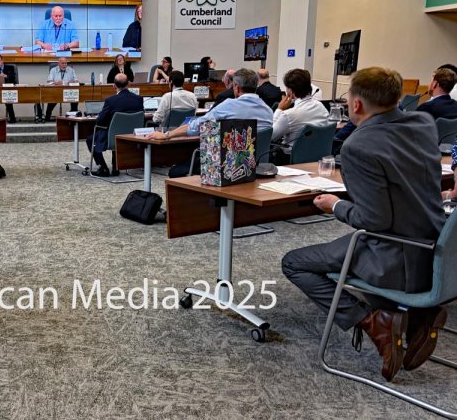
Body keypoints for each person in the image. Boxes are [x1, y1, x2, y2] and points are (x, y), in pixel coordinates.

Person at [282, 67, 447, 383]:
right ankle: (418, 316)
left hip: (394, 252)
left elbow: (373, 221)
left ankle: (375, 321)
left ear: (355, 104)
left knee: (294, 262)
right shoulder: (423, 123)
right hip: (435, 244)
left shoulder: (358, 146)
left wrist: (335, 205)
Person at [146, 68, 273, 178]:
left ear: (236, 87)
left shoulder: (229, 106)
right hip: (257, 167)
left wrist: (166, 135)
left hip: (226, 168)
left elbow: (197, 126)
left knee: (175, 171)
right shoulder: (267, 110)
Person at [86, 74, 143, 177]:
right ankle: (116, 167)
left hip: (113, 137)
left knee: (91, 139)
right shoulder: (138, 99)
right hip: (132, 137)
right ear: (128, 84)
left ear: (114, 86)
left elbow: (100, 121)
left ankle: (103, 168)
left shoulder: (110, 101)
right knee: (116, 130)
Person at [271, 68, 330, 145]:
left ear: (290, 91)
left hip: (289, 152)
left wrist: (279, 109)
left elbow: (269, 136)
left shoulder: (288, 115)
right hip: (318, 151)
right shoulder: (321, 106)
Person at [36, 57, 79, 122]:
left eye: (65, 63)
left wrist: (70, 82)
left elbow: (76, 81)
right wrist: (56, 82)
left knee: (75, 98)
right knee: (52, 100)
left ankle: (73, 117)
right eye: (63, 63)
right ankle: (47, 117)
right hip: (56, 91)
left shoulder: (71, 70)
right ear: (58, 64)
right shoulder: (53, 70)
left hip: (68, 91)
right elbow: (49, 81)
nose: (64, 65)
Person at [0, 54, 18, 123]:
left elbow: (13, 79)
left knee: (7, 100)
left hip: (8, 89)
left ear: (2, 61)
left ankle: (12, 119)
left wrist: (6, 76)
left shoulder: (10, 68)